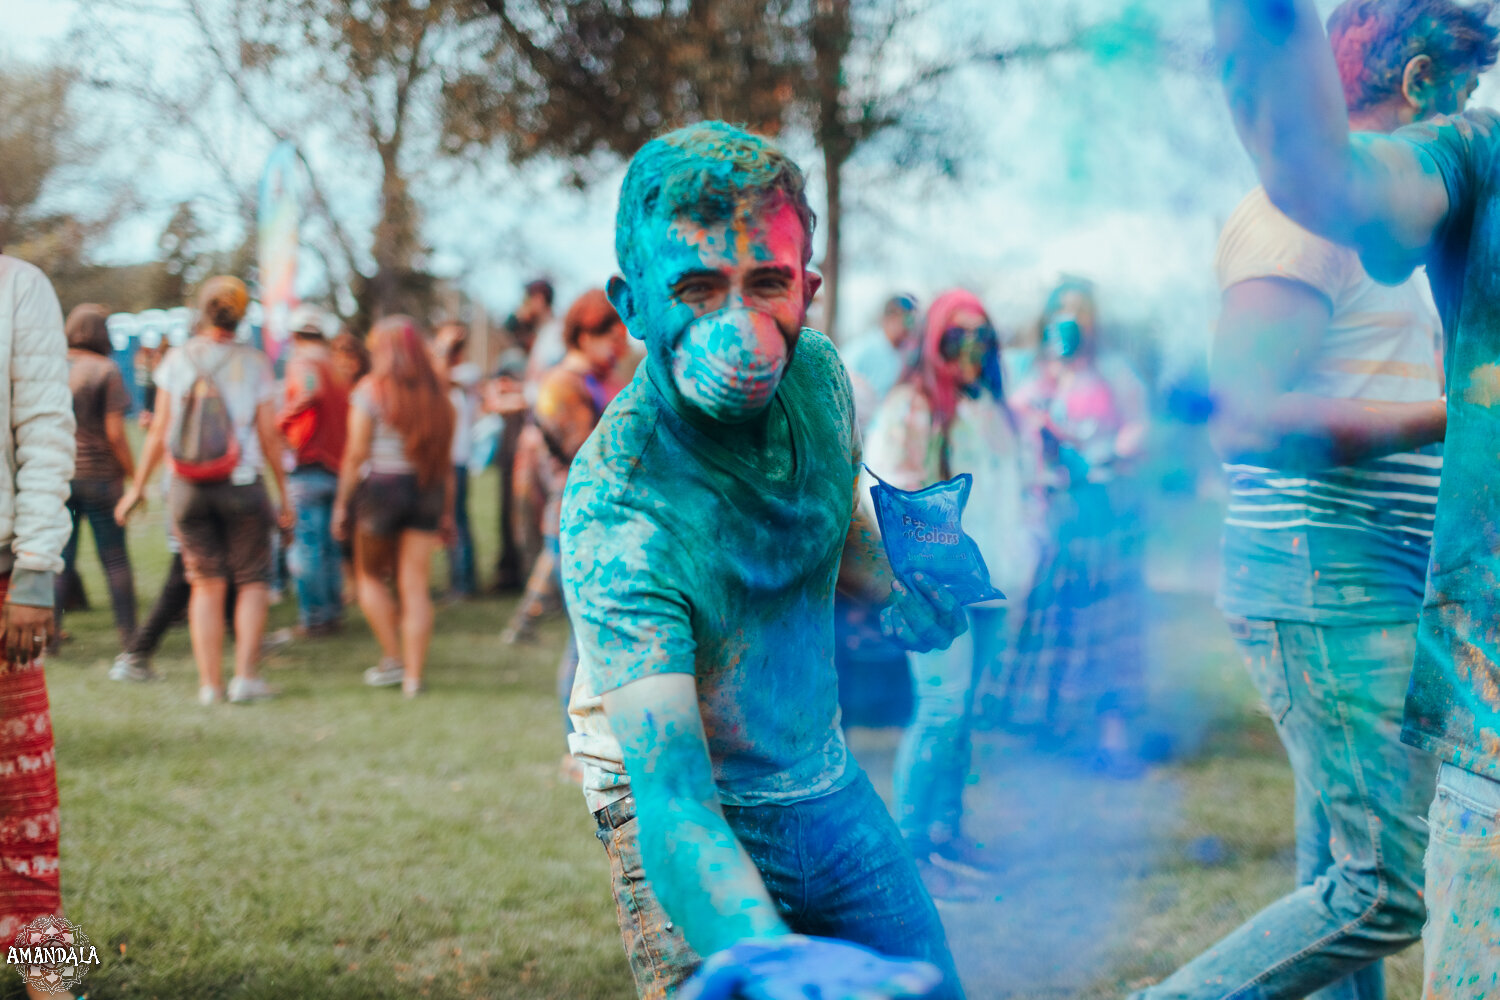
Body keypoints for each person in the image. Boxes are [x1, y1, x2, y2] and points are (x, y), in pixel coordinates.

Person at [561, 121, 966, 1000]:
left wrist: (902, 588)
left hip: (816, 768)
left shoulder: (818, 377)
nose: (739, 328)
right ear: (632, 305)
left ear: (807, 289)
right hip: (672, 797)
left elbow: (827, 517)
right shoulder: (619, 510)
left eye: (766, 283)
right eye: (699, 287)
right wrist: (762, 954)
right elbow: (675, 798)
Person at [1140, 6, 1479, 997]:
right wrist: (1456, 414)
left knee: (1341, 876)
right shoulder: (1307, 213)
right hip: (1323, 583)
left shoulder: (1388, 223)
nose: (1472, 127)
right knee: (1381, 891)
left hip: (1366, 582)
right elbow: (1245, 420)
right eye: (1465, 96)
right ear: (1419, 80)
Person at [860, 289, 1038, 901]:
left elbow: (1013, 491)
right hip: (938, 593)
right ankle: (911, 853)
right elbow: (887, 490)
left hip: (993, 588)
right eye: (956, 336)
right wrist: (919, 577)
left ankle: (946, 834)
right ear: (934, 341)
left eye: (981, 337)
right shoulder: (911, 406)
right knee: (941, 709)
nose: (971, 349)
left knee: (963, 714)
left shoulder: (991, 405)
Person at [116, 276, 291, 706]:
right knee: (251, 580)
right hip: (242, 483)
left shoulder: (178, 359)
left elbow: (159, 431)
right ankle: (245, 677)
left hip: (188, 486)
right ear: (242, 312)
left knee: (205, 583)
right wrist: (284, 493)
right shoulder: (253, 364)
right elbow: (269, 435)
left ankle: (210, 685)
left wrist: (137, 487)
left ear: (202, 309)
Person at [1001, 281, 1149, 773]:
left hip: (1104, 513)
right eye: (1061, 314)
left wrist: (1106, 453)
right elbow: (1012, 422)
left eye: (1078, 314)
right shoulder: (1037, 375)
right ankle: (1054, 726)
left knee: (1108, 626)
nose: (1070, 323)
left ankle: (1113, 736)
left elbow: (1138, 428)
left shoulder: (1112, 373)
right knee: (1057, 623)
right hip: (1056, 518)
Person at [504, 290, 629, 775]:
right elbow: (592, 456)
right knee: (584, 642)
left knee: (601, 639)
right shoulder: (560, 385)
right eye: (610, 335)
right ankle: (577, 750)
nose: (619, 345)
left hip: (616, 522)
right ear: (584, 333)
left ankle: (603, 744)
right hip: (577, 522)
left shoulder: (608, 381)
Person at [0, 252, 79, 999]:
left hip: (2, 580)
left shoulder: (17, 288)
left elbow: (48, 431)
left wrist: (33, 572)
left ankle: (47, 972)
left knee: (22, 798)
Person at [332, 316, 454, 698]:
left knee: (369, 576)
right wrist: (447, 510)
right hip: (426, 488)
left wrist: (341, 504)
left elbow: (355, 455)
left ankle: (392, 658)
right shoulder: (438, 393)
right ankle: (414, 679)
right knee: (414, 584)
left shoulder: (371, 391)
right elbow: (446, 459)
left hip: (382, 489)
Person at [56, 304, 136, 647]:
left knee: (60, 559)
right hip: (101, 477)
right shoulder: (106, 370)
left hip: (58, 475)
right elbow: (116, 433)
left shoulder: (51, 368)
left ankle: (50, 636)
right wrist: (134, 475)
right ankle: (130, 636)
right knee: (115, 558)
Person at [277, 305, 348, 638]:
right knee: (329, 546)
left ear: (294, 335)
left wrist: (279, 421)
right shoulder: (337, 365)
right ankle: (331, 612)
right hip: (337, 465)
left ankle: (315, 618)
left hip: (309, 465)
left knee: (307, 547)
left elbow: (309, 391)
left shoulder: (304, 361)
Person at [490, 278, 555, 593]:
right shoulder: (544, 338)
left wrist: (515, 397)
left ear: (539, 299)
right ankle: (529, 579)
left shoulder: (552, 336)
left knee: (540, 512)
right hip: (528, 438)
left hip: (543, 440)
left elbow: (547, 388)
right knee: (526, 511)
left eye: (527, 302)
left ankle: (542, 586)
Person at [432, 322, 480, 599]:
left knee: (457, 519)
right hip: (445, 457)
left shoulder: (467, 373)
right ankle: (456, 581)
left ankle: (463, 584)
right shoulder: (444, 371)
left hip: (457, 458)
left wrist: (441, 346)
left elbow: (439, 377)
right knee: (448, 519)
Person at [842, 293, 919, 428]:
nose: (909, 328)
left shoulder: (908, 354)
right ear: (891, 318)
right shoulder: (862, 349)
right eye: (907, 320)